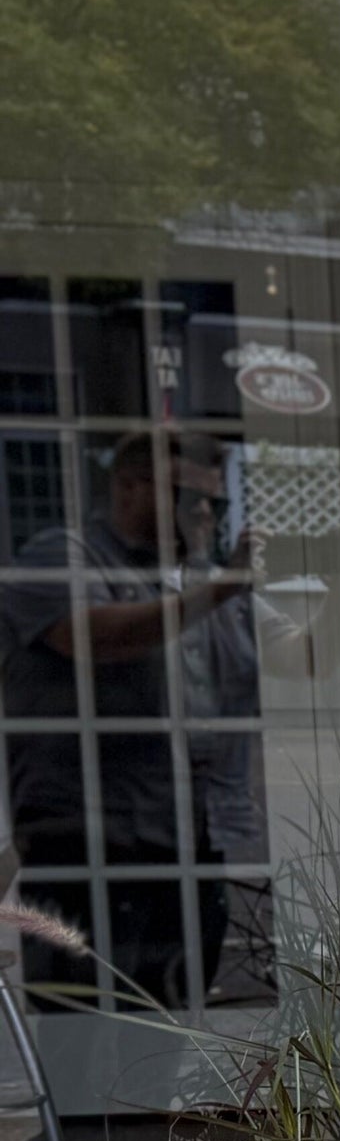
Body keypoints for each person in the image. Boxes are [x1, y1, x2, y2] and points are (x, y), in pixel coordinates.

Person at [3, 429, 261, 1011]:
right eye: (186, 495)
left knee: (167, 1025)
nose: (203, 513)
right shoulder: (60, 553)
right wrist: (218, 591)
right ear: (127, 488)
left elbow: (302, 659)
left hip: (186, 838)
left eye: (214, 503)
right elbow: (91, 635)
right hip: (88, 838)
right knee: (81, 1028)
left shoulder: (187, 578)